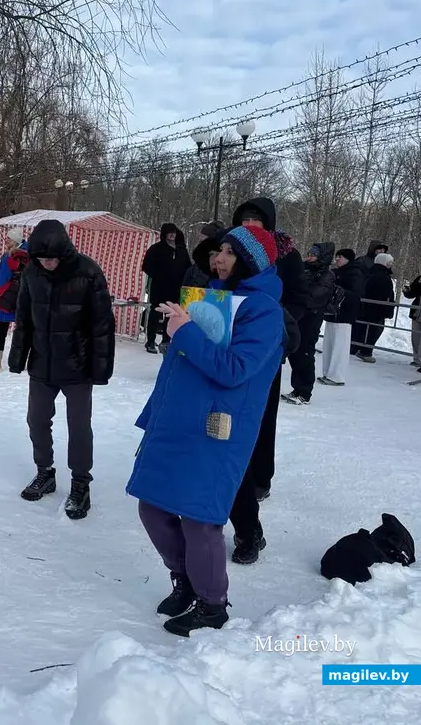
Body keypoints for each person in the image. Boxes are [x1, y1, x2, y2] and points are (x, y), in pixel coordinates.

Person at [127, 225, 284, 636]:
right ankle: (187, 581)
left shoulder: (263, 310)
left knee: (199, 519)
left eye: (230, 252)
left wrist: (186, 331)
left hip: (217, 428)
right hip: (175, 421)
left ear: (250, 261)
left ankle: (212, 605)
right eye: (218, 250)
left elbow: (233, 370)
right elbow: (182, 363)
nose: (219, 258)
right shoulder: (213, 297)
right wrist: (155, 411)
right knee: (153, 507)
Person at [8, 219, 115, 520]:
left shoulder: (88, 272)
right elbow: (24, 317)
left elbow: (102, 325)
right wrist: (18, 358)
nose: (48, 264)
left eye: (52, 258)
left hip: (77, 366)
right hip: (42, 364)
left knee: (79, 428)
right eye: (42, 259)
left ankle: (81, 483)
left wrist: (100, 368)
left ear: (65, 252)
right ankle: (45, 472)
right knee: (37, 421)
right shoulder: (31, 272)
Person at [226, 197, 304, 565]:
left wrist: (277, 326)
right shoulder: (224, 262)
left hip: (262, 353)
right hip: (223, 361)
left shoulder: (285, 257)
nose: (250, 224)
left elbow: (298, 300)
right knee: (221, 442)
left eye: (257, 220)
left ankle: (259, 484)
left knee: (254, 426)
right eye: (244, 219)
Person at [282, 243, 336, 405]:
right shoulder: (304, 269)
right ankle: (297, 388)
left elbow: (316, 296)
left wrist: (300, 295)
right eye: (309, 252)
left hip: (311, 318)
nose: (310, 256)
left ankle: (304, 391)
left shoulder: (326, 275)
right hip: (298, 315)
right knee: (295, 352)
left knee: (305, 353)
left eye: (314, 254)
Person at [142, 223, 191, 354]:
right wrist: (159, 275)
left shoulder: (181, 250)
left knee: (171, 314)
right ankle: (150, 341)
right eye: (169, 232)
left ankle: (166, 340)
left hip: (175, 288)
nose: (172, 235)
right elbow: (146, 266)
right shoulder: (156, 249)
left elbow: (188, 266)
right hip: (159, 287)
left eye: (174, 232)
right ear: (164, 234)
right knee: (155, 313)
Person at [0, 227, 29, 372]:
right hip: (7, 298)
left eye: (9, 238)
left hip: (19, 299)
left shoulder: (25, 256)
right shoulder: (7, 256)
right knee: (2, 332)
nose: (6, 240)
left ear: (16, 240)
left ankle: (22, 362)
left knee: (22, 332)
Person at [320, 249, 364, 386]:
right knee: (329, 343)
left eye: (341, 257)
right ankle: (327, 372)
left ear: (348, 259)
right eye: (337, 256)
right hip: (332, 312)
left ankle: (337, 376)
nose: (337, 259)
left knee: (340, 345)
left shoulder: (355, 273)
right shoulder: (336, 272)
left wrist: (341, 292)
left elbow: (356, 293)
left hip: (344, 314)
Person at [354, 254, 395, 363]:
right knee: (374, 329)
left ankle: (363, 348)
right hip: (377, 309)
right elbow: (384, 294)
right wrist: (388, 305)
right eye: (390, 262)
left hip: (370, 307)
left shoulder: (371, 273)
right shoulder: (382, 276)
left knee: (368, 328)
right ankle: (366, 351)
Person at [181, 222, 224, 290]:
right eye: (200, 242)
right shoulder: (193, 270)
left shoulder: (228, 271)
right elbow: (184, 296)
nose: (200, 245)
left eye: (204, 242)